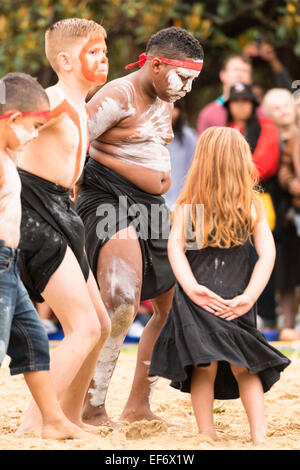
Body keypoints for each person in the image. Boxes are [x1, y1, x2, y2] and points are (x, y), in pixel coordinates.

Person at [76, 26, 204, 426]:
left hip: (151, 206)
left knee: (175, 308)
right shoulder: (118, 94)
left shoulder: (165, 95)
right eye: (182, 77)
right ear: (155, 64)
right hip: (105, 200)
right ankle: (92, 408)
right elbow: (72, 147)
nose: (186, 88)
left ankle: (137, 405)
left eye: (193, 81)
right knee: (121, 302)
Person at [149, 126, 290, 444]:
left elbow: (175, 250)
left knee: (204, 368)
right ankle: (259, 436)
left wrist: (191, 289)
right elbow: (268, 255)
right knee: (245, 367)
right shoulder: (252, 205)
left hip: (199, 299)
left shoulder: (187, 207)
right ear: (242, 162)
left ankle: (207, 435)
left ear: (201, 162)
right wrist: (249, 297)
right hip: (235, 298)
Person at [16, 18, 111, 436]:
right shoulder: (51, 100)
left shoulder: (81, 107)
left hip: (61, 209)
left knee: (102, 326)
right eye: (94, 52)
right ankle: (36, 424)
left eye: (105, 51)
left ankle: (68, 418)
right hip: (34, 209)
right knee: (84, 325)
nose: (103, 58)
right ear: (66, 60)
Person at [0, 72, 88, 440]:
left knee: (35, 342)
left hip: (9, 264)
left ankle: (51, 420)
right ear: (12, 119)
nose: (38, 135)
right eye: (34, 126)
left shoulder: (8, 154)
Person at [225, 83, 280, 331]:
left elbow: (266, 164)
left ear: (253, 105)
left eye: (245, 101)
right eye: (236, 102)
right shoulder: (227, 130)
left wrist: (233, 175)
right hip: (227, 203)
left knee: (262, 254)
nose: (240, 106)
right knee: (237, 256)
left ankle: (266, 314)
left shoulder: (266, 127)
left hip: (261, 199)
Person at [262, 89, 300, 340]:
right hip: (279, 213)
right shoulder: (267, 137)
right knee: (285, 270)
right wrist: (290, 183)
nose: (284, 110)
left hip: (294, 209)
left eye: (287, 104)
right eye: (277, 107)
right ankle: (284, 321)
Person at [164, 99, 198, 210]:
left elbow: (195, 168)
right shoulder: (151, 136)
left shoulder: (189, 137)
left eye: (175, 108)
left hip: (184, 201)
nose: (171, 112)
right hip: (158, 202)